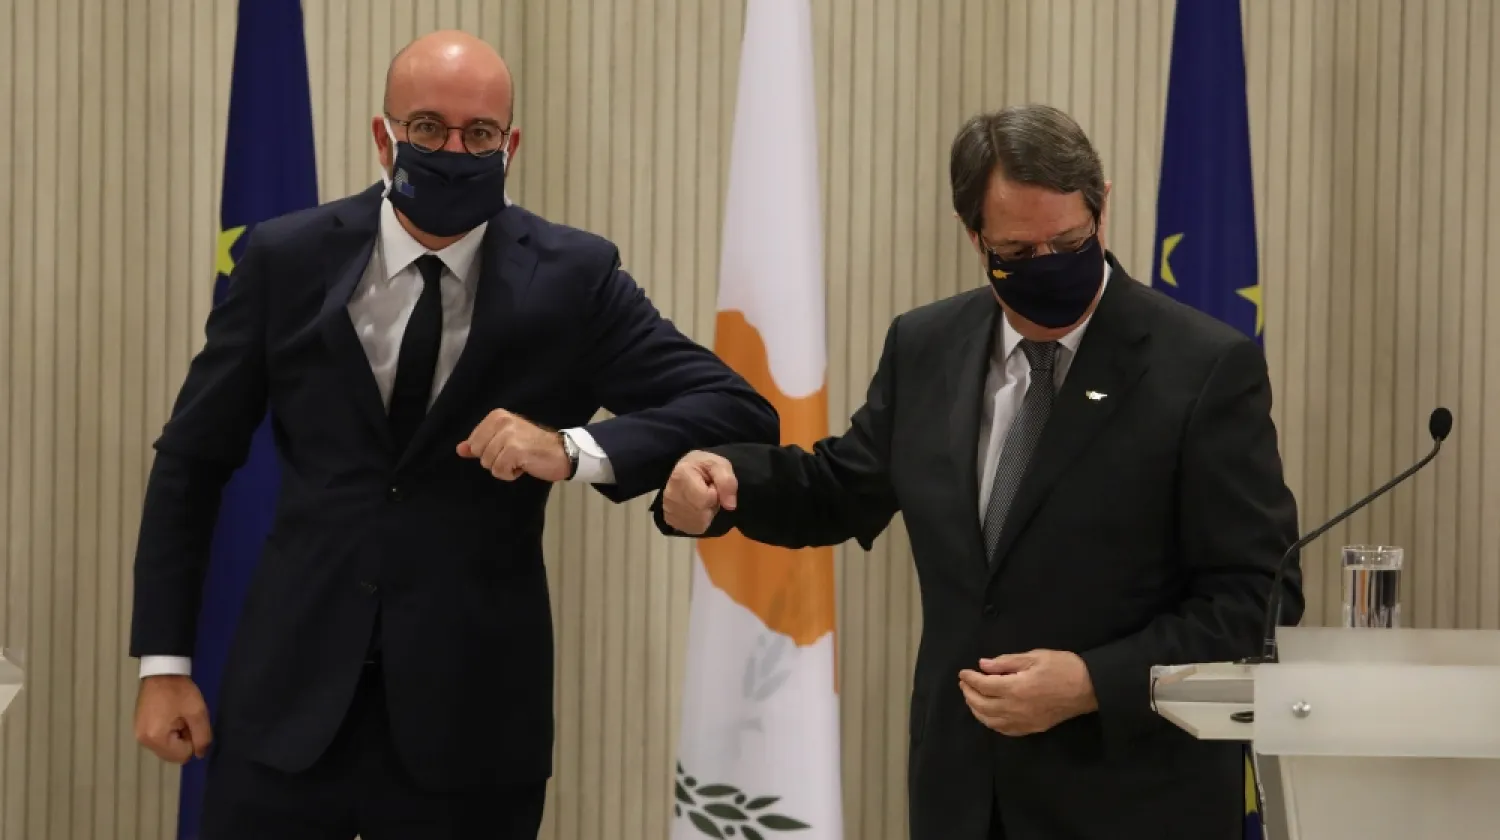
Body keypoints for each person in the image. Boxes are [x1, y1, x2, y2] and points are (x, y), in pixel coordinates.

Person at [129, 30, 778, 840]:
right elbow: (192, 461)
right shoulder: (285, 259)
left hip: (472, 722)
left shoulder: (572, 277)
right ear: (383, 137)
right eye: (427, 128)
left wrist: (572, 449)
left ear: (510, 147)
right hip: (285, 701)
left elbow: (738, 406)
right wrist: (164, 665)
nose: (452, 149)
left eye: (478, 135)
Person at [656, 103, 1303, 840]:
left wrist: (1095, 682)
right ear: (974, 236)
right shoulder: (926, 344)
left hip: (1133, 798)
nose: (1050, 266)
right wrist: (729, 483)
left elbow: (1257, 597)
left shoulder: (1203, 369)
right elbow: (843, 488)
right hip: (963, 794)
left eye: (1069, 241)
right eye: (1019, 253)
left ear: (1103, 207)